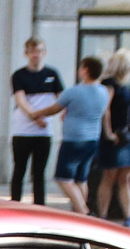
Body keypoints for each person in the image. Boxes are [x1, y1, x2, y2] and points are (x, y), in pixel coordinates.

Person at [46, 56, 108, 217]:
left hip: (74, 140)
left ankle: (83, 210)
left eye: (81, 67)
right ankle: (79, 213)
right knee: (81, 179)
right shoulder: (103, 92)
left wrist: (34, 114)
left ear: (86, 70)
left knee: (63, 178)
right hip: (92, 139)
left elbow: (54, 109)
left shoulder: (74, 91)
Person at [7, 38, 63, 206]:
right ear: (26, 54)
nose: (35, 55)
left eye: (38, 51)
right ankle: (14, 204)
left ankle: (39, 206)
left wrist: (61, 112)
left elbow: (61, 98)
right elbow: (21, 100)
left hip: (44, 132)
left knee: (39, 173)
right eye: (32, 51)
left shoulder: (52, 74)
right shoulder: (19, 75)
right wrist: (35, 116)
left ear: (44, 53)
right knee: (19, 170)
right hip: (22, 130)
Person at [95, 48, 130, 227]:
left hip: (128, 136)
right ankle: (103, 215)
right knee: (110, 175)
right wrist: (108, 133)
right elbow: (105, 110)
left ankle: (128, 216)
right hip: (114, 137)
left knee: (125, 177)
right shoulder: (109, 84)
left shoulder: (125, 85)